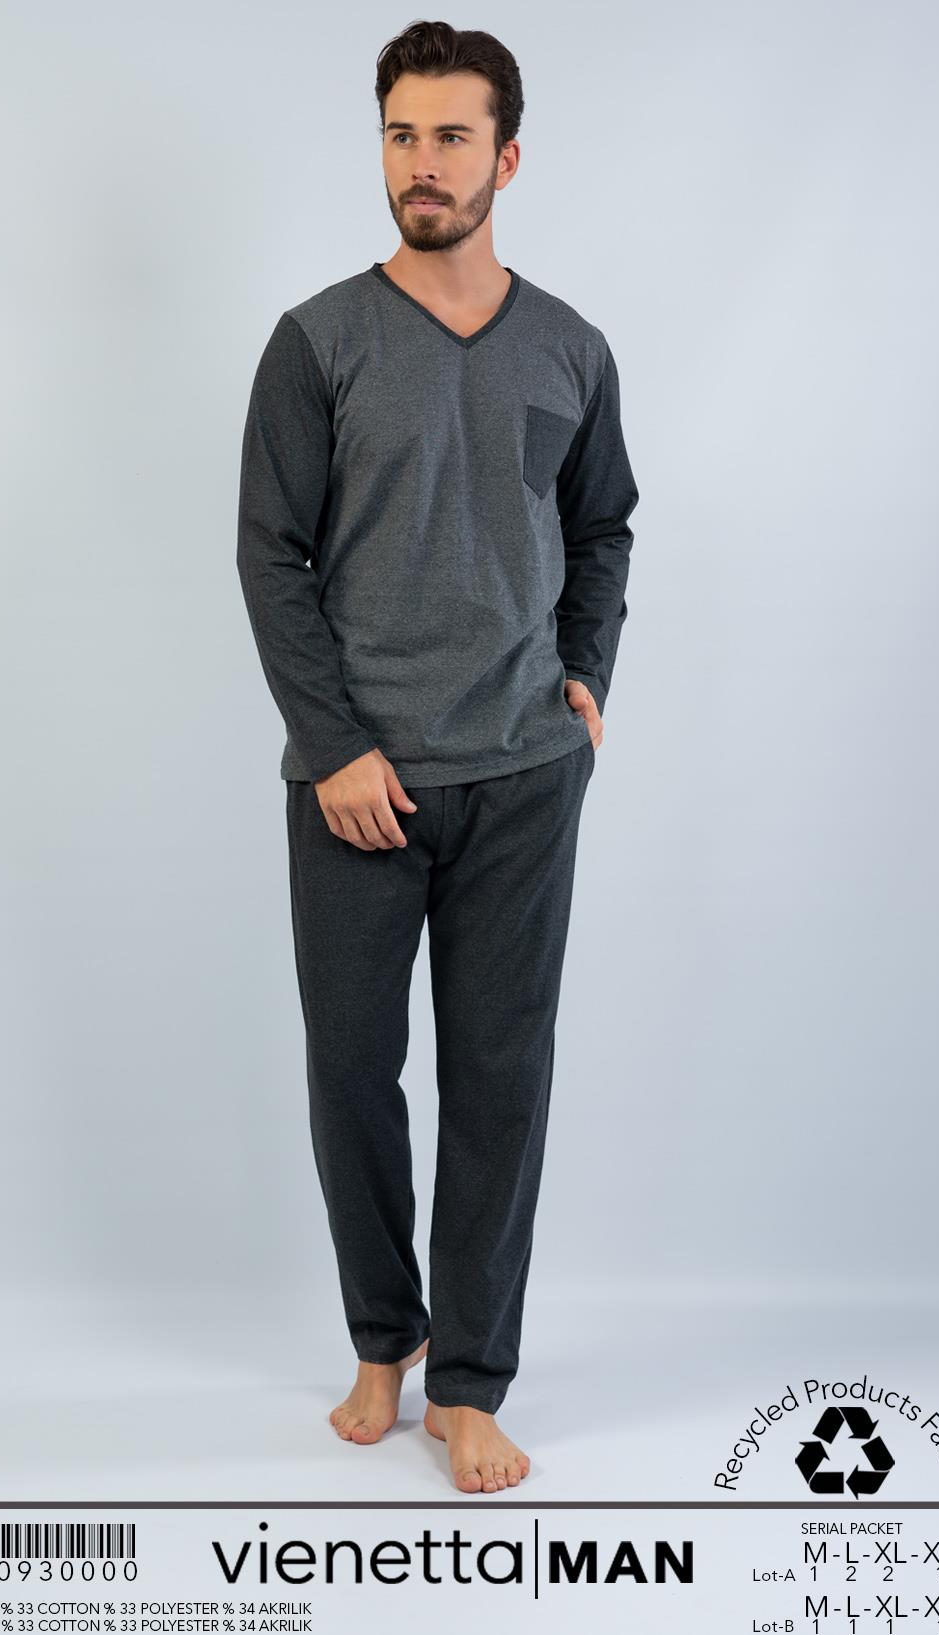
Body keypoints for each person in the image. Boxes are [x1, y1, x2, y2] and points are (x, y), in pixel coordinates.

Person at [236, 19, 639, 1494]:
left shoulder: (570, 348)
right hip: (356, 788)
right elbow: (270, 556)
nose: (423, 163)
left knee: (498, 1083)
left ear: (505, 160)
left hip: (524, 774)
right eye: (402, 135)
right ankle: (382, 1337)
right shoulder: (317, 342)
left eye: (451, 137)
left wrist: (585, 677)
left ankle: (470, 1380)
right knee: (352, 1075)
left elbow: (602, 526)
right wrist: (335, 745)